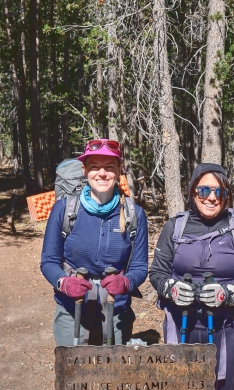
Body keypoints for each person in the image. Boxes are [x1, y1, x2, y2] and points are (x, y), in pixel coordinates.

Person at [149, 163, 234, 390]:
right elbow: (157, 273)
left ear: (227, 195)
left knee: (223, 384)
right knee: (179, 383)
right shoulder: (175, 227)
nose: (211, 197)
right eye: (203, 190)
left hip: (226, 326)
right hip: (180, 323)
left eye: (219, 191)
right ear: (193, 192)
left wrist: (228, 294)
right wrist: (171, 289)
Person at [40, 139, 148, 346]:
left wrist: (126, 283)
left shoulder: (134, 214)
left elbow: (139, 267)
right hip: (72, 308)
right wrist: (64, 283)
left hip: (116, 310)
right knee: (73, 367)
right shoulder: (64, 210)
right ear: (85, 170)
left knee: (113, 367)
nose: (102, 173)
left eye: (109, 167)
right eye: (95, 167)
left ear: (119, 170)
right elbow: (48, 261)